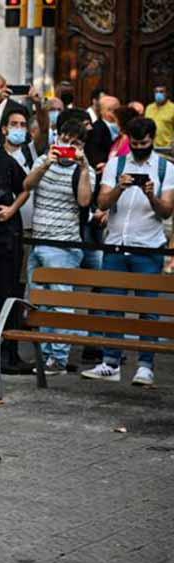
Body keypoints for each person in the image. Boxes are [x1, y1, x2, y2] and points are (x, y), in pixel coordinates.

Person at [82, 117, 174, 385]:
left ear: (152, 140)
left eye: (143, 144)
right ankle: (111, 362)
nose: (139, 148)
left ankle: (146, 365)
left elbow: (166, 210)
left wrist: (150, 195)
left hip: (148, 247)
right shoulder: (116, 164)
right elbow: (101, 200)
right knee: (113, 307)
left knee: (148, 310)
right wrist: (120, 188)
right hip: (116, 245)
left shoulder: (164, 168)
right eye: (134, 144)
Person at [20, 119, 93, 376]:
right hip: (39, 242)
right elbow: (27, 185)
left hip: (64, 246)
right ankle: (46, 356)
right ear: (58, 138)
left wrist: (83, 167)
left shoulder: (85, 170)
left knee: (61, 303)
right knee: (40, 303)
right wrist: (47, 163)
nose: (69, 148)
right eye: (66, 141)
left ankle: (58, 358)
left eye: (76, 144)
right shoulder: (43, 160)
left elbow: (84, 201)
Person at [0, 108, 37, 375]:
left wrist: (11, 210)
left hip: (12, 236)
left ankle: (9, 353)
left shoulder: (26, 156)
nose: (18, 129)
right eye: (13, 124)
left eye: (22, 124)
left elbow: (25, 187)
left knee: (11, 291)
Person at [145, 85, 173, 149]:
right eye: (156, 92)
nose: (158, 94)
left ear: (167, 93)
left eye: (161, 92)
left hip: (167, 147)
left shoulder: (172, 108)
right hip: (151, 147)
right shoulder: (149, 108)